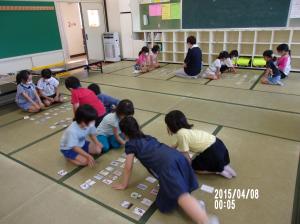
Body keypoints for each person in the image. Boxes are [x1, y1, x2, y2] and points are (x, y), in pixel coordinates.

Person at [113, 116, 219, 224]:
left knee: (181, 196)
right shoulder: (148, 137)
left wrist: (124, 184)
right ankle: (196, 205)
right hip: (177, 157)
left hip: (167, 166)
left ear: (124, 133)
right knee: (163, 202)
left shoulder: (130, 145)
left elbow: (128, 167)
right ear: (137, 127)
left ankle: (205, 220)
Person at [165, 110, 236, 179]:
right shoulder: (184, 131)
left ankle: (218, 170)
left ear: (171, 126)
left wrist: (189, 169)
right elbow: (177, 143)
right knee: (205, 160)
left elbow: (186, 156)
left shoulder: (181, 134)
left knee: (195, 168)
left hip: (212, 153)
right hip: (219, 145)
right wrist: (169, 149)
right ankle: (222, 165)